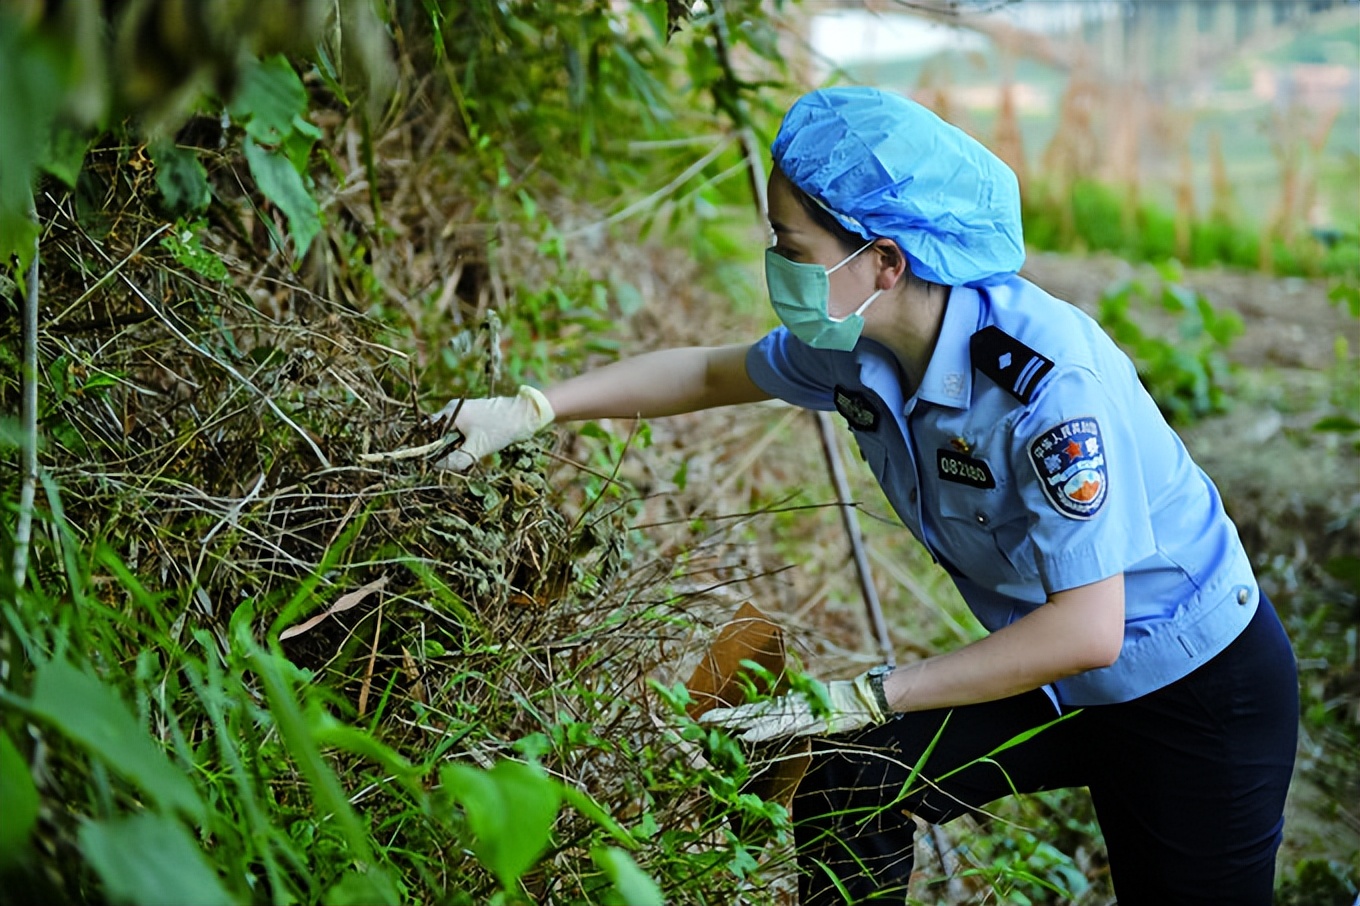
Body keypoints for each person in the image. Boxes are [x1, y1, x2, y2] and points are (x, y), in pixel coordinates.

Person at [429, 87, 1300, 905]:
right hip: (1054, 669)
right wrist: (534, 407)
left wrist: (875, 691)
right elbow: (707, 374)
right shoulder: (855, 342)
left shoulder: (1043, 388)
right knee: (850, 778)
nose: (775, 264)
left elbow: (1088, 629)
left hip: (1192, 684)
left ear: (883, 260)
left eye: (791, 246)